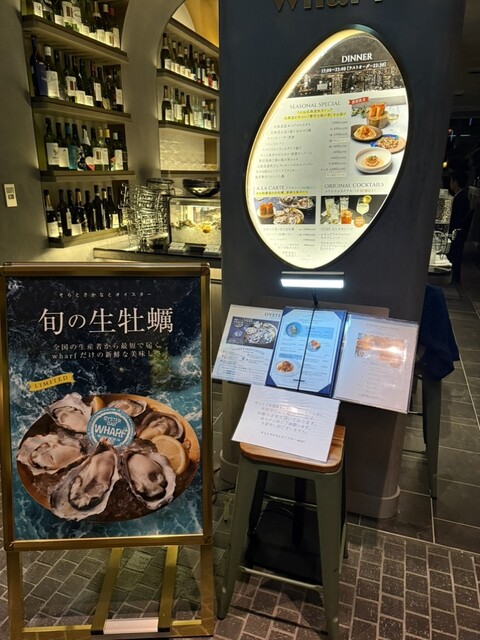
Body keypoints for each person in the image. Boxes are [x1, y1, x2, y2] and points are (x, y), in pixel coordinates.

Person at [447, 170, 472, 283]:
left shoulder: (460, 199)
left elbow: (454, 219)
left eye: (451, 181)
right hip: (457, 232)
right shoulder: (461, 197)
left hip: (455, 233)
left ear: (455, 182)